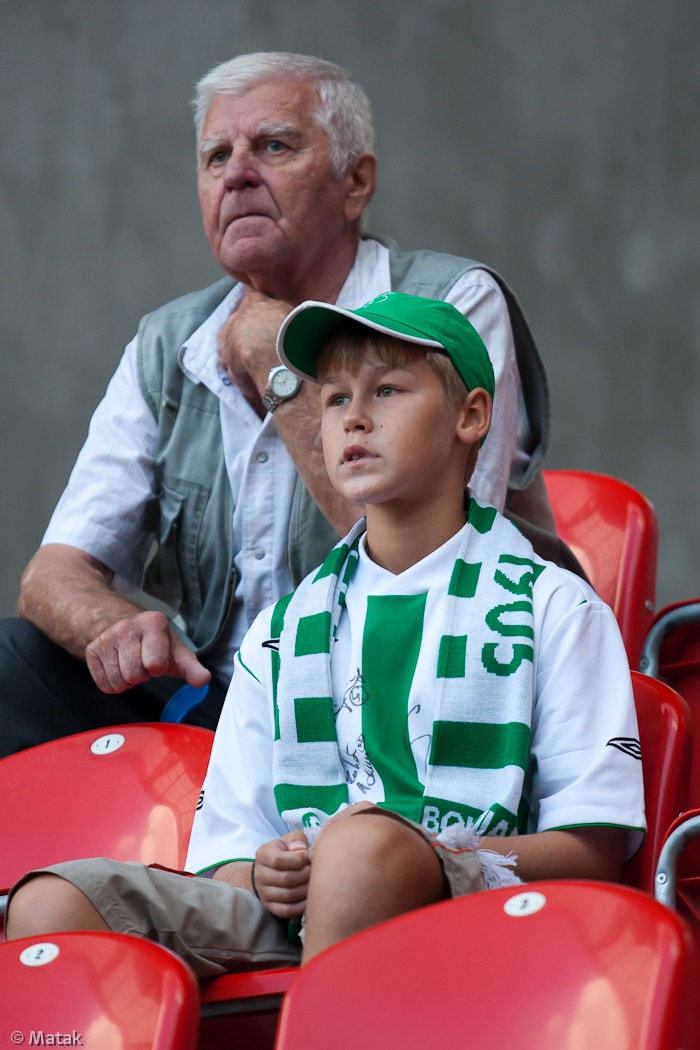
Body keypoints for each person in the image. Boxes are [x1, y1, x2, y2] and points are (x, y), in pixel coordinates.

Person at [6, 293, 645, 973]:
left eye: (388, 390)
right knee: (52, 907)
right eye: (335, 399)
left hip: (479, 906)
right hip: (293, 921)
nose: (355, 418)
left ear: (471, 415)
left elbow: (593, 847)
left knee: (356, 850)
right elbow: (227, 856)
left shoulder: (554, 606)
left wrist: (420, 853)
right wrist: (261, 875)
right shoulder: (281, 633)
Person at [0, 51, 557, 757]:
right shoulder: (169, 342)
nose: (236, 174)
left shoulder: (445, 308)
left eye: (274, 145)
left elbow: (442, 570)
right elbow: (52, 574)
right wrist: (114, 625)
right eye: (215, 157)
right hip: (223, 701)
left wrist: (279, 369)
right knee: (15, 659)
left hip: (402, 694)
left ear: (356, 183)